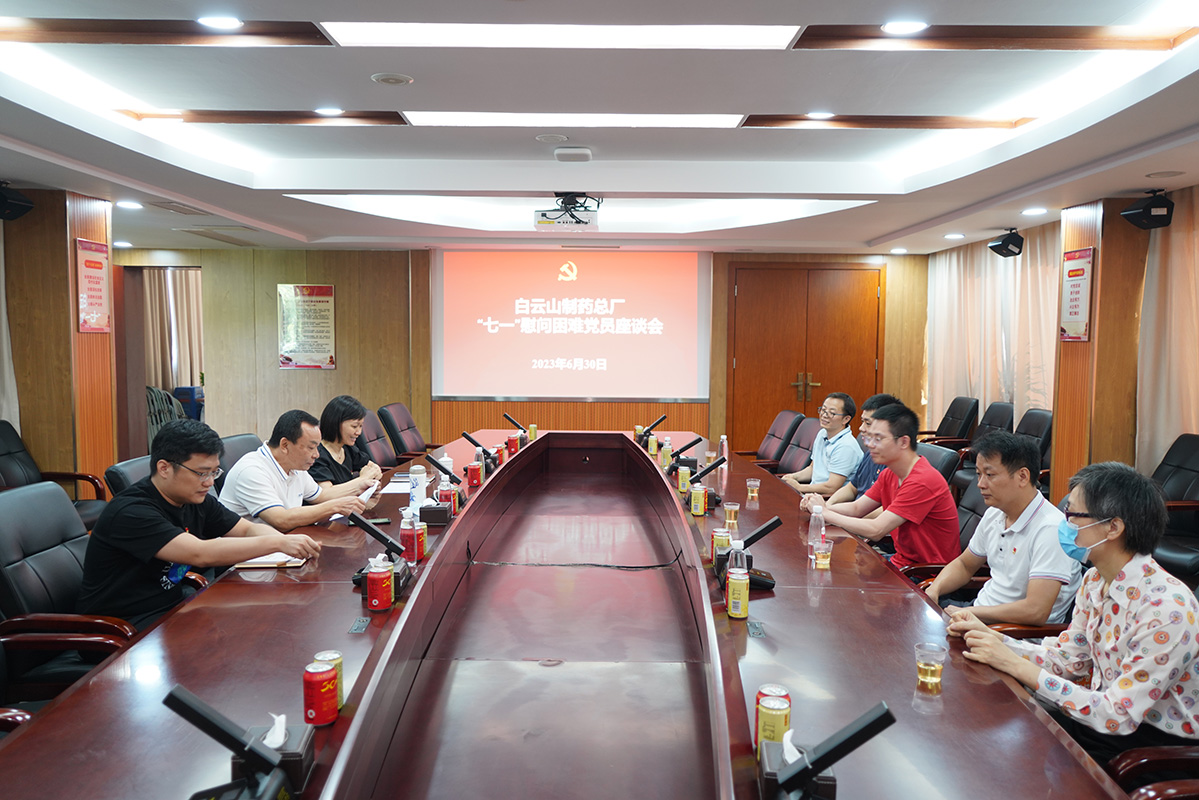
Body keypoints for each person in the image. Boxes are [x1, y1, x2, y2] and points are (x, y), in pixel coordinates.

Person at [951, 462, 1199, 766]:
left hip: (1153, 750)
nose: (1064, 524)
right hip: (1097, 721)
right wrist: (994, 640)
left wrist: (1015, 663)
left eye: (1073, 515)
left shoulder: (1167, 609)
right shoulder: (1095, 580)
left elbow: (1117, 715)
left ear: (1113, 527)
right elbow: (1071, 661)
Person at [77, 419, 322, 630]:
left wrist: (284, 547)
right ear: (164, 468)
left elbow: (245, 528)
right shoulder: (132, 511)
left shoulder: (193, 499)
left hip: (172, 609)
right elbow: (200, 553)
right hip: (124, 627)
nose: (208, 482)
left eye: (214, 473)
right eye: (201, 473)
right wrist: (278, 541)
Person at [927, 431, 1082, 624]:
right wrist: (934, 589)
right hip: (978, 614)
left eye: (990, 475)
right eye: (978, 474)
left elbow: (1035, 611)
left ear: (1023, 476)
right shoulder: (995, 513)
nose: (980, 484)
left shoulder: (1050, 529)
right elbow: (965, 565)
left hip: (1012, 634)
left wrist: (972, 613)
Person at [804, 402, 959, 570]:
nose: (869, 444)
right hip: (901, 562)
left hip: (926, 574)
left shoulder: (922, 480)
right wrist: (818, 506)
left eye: (878, 439)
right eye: (870, 438)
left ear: (903, 442)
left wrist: (824, 513)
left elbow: (876, 530)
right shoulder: (890, 472)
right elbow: (857, 508)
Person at [219, 409, 371, 531]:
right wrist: (335, 506)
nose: (316, 455)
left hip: (282, 544)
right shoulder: (251, 470)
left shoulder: (296, 466)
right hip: (246, 559)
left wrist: (361, 490)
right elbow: (281, 520)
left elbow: (321, 496)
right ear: (285, 445)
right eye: (311, 447)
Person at [823, 392, 902, 516]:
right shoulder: (872, 453)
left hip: (868, 525)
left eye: (868, 423)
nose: (861, 428)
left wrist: (840, 518)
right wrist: (826, 506)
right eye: (862, 421)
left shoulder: (898, 466)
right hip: (854, 518)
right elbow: (852, 488)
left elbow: (886, 512)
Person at [781, 392, 862, 496]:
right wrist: (793, 477)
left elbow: (831, 487)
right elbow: (812, 468)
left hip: (827, 501)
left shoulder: (846, 446)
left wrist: (799, 487)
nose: (824, 415)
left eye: (831, 413)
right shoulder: (822, 433)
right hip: (811, 494)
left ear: (846, 419)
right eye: (823, 410)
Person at [309, 395, 384, 488]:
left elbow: (374, 468)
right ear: (335, 423)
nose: (359, 432)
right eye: (354, 426)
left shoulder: (347, 448)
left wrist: (373, 473)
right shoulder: (317, 455)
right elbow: (327, 493)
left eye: (361, 426)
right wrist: (362, 479)